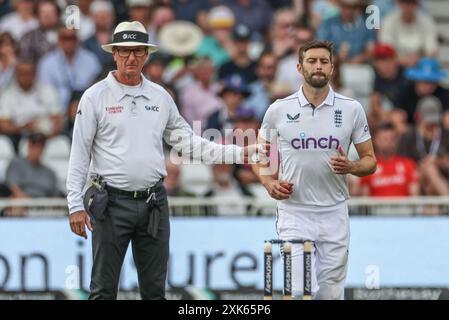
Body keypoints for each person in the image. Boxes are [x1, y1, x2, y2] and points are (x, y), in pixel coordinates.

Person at [66, 21, 263, 300]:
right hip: (110, 202)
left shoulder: (160, 96)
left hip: (153, 202)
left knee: (155, 291)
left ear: (146, 55)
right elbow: (79, 153)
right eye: (125, 51)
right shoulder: (94, 96)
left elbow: (190, 144)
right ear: (114, 54)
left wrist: (240, 152)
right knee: (103, 290)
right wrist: (75, 203)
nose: (131, 58)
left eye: (137, 51)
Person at [252, 40, 376, 299]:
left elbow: (370, 161)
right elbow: (258, 154)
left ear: (332, 68)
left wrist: (352, 166)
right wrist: (267, 181)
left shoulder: (351, 109)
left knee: (330, 293)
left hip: (334, 211)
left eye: (323, 61)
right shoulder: (279, 109)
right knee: (297, 291)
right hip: (295, 211)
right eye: (311, 61)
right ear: (299, 67)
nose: (318, 66)